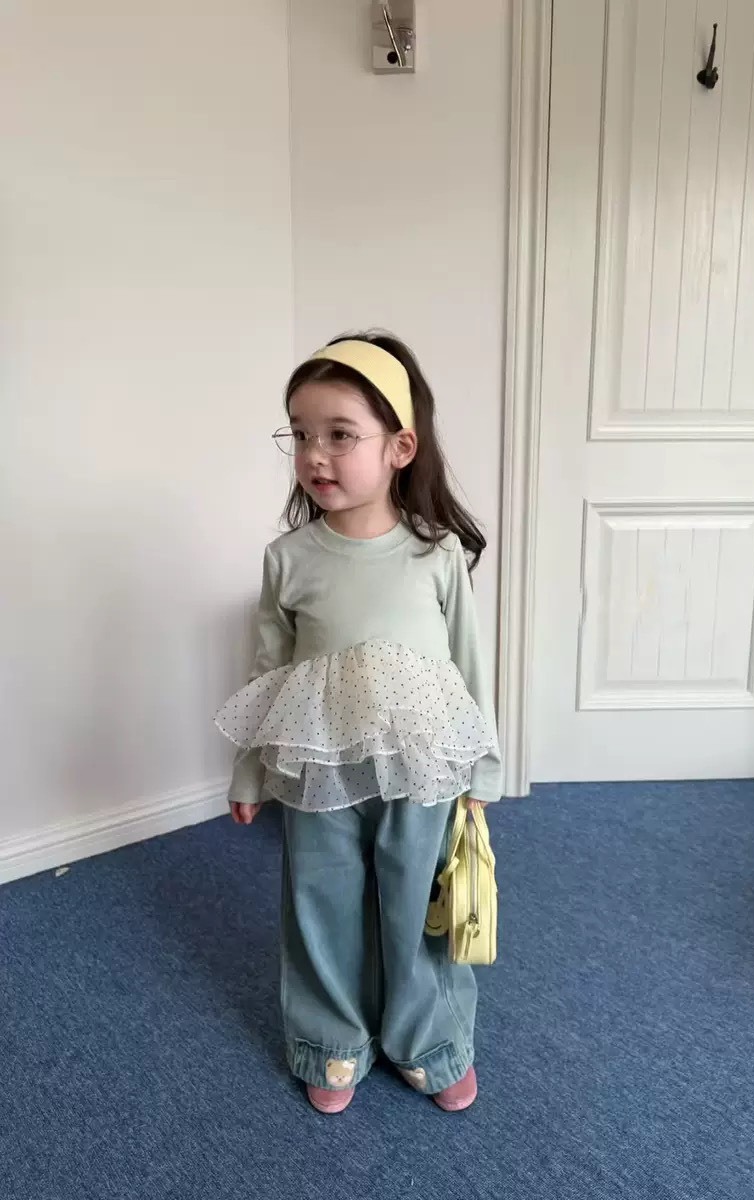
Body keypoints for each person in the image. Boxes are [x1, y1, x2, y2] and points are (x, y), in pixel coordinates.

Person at [215, 333, 502, 1115]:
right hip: (319, 769)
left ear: (399, 448)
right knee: (322, 902)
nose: (315, 455)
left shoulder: (435, 555)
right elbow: (267, 673)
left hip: (420, 768)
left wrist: (483, 767)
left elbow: (469, 667)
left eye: (340, 434)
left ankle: (429, 1041)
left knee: (417, 905)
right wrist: (249, 772)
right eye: (301, 434)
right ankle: (330, 1042)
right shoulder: (289, 558)